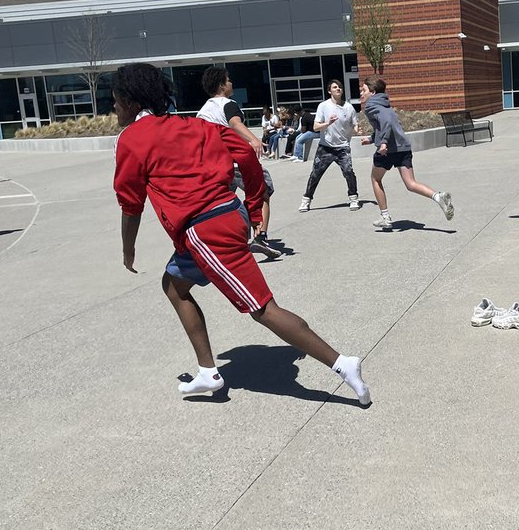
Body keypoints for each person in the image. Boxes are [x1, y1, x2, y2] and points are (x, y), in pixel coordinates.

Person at [112, 63, 370, 403]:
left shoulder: (132, 138)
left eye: (115, 100)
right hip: (224, 215)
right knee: (174, 286)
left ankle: (342, 364)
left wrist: (127, 251)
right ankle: (208, 372)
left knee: (263, 308)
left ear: (130, 101)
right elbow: (246, 155)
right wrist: (251, 207)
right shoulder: (193, 124)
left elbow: (131, 204)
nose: (113, 107)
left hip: (206, 231)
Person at [195, 67, 280, 258]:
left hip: (214, 166)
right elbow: (234, 123)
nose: (232, 83)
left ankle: (216, 243)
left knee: (220, 204)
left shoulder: (202, 112)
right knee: (263, 191)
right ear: (221, 85)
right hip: (237, 163)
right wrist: (254, 140)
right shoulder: (228, 103)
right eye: (229, 80)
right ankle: (260, 237)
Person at [360, 77, 453, 230]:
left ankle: (385, 217)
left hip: (388, 150)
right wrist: (371, 139)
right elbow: (387, 124)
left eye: (364, 90)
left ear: (373, 92)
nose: (361, 93)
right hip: (403, 148)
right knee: (411, 184)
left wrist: (382, 142)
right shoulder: (385, 105)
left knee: (375, 179)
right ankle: (438, 196)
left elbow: (386, 123)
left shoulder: (372, 105)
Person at [298, 79, 362, 212]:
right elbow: (316, 127)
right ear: (329, 91)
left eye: (339, 87)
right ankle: (306, 200)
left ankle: (353, 198)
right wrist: (328, 123)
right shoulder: (323, 106)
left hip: (343, 147)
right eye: (334, 87)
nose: (338, 89)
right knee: (315, 174)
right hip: (325, 147)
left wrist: (357, 130)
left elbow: (354, 123)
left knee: (348, 172)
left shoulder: (349, 107)